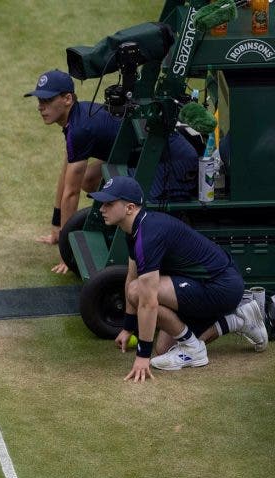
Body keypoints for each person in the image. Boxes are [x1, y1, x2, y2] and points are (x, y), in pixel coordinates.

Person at [87, 176, 268, 383]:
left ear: (129, 208)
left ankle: (194, 348)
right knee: (164, 349)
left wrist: (142, 356)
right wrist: (128, 327)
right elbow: (132, 275)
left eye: (109, 204)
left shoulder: (148, 235)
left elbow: (147, 300)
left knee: (139, 292)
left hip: (220, 286)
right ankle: (237, 319)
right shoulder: (134, 229)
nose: (102, 209)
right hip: (199, 283)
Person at [25, 69, 199, 274]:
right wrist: (57, 228)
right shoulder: (76, 118)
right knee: (89, 180)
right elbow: (67, 172)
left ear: (67, 99)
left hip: (173, 161)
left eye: (47, 100)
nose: (40, 107)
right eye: (39, 100)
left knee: (126, 204)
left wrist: (66, 255)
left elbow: (70, 194)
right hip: (141, 153)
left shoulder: (80, 129)